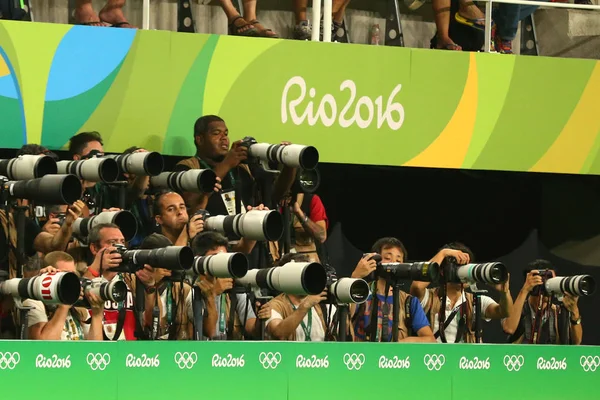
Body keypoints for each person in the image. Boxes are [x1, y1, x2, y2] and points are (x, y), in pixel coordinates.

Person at [175, 115, 297, 216]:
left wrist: (289, 165)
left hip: (246, 237)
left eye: (226, 133)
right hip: (211, 239)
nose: (224, 138)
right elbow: (189, 203)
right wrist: (226, 164)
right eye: (216, 133)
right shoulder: (188, 167)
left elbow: (276, 194)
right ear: (200, 139)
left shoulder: (242, 167)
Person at [411, 243, 513, 343]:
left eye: (467, 265)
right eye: (459, 266)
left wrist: (505, 293)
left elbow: (504, 312)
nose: (465, 270)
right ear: (442, 271)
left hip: (465, 359)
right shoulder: (429, 297)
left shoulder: (475, 301)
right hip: (435, 358)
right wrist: (443, 254)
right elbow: (417, 286)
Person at [351, 237, 435, 342]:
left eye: (398, 260)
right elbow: (344, 321)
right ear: (375, 260)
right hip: (362, 357)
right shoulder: (361, 292)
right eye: (387, 258)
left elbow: (430, 339)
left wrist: (403, 343)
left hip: (395, 358)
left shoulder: (408, 301)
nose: (394, 263)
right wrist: (355, 278)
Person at [192, 231, 271, 340]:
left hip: (234, 355)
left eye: (224, 258)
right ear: (200, 260)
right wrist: (213, 295)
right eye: (215, 257)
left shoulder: (234, 289)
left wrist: (260, 319)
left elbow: (252, 329)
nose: (221, 263)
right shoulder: (192, 291)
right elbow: (210, 333)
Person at [24, 251, 104, 340]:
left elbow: (95, 350)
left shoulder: (80, 310)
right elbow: (44, 347)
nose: (71, 280)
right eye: (65, 274)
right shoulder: (34, 303)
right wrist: (64, 306)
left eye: (73, 275)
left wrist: (97, 315)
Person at [79, 223, 137, 340]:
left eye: (122, 242)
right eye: (113, 242)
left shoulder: (131, 280)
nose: (120, 247)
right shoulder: (78, 277)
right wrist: (96, 267)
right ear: (94, 248)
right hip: (93, 351)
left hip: (130, 355)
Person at [502, 260, 582, 345]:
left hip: (553, 358)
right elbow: (509, 328)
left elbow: (576, 342)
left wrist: (575, 312)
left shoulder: (558, 312)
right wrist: (525, 290)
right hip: (521, 357)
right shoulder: (517, 309)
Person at [135, 233, 194, 340]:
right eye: (161, 260)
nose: (166, 265)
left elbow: (209, 329)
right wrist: (152, 285)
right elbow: (154, 327)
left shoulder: (182, 289)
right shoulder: (132, 284)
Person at [266, 253, 332, 341]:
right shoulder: (275, 305)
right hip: (290, 354)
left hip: (320, 354)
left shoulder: (321, 302)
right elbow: (279, 333)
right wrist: (304, 306)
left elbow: (345, 333)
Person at [284, 192, 328, 262]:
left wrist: (299, 213)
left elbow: (322, 236)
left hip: (305, 264)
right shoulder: (270, 201)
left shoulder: (311, 200)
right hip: (277, 264)